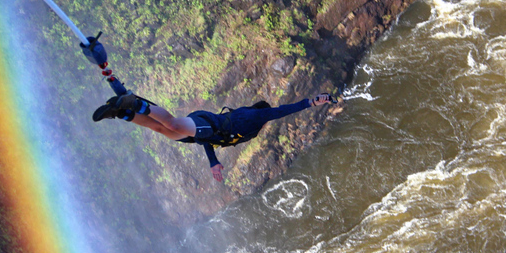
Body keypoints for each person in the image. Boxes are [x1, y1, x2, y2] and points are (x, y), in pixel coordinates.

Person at [92, 92, 334, 182]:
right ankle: (136, 103)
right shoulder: (256, 117)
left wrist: (213, 161)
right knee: (172, 123)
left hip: (205, 134)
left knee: (161, 130)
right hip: (208, 123)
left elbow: (208, 141)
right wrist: (313, 101)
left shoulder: (249, 129)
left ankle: (122, 113)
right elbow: (283, 110)